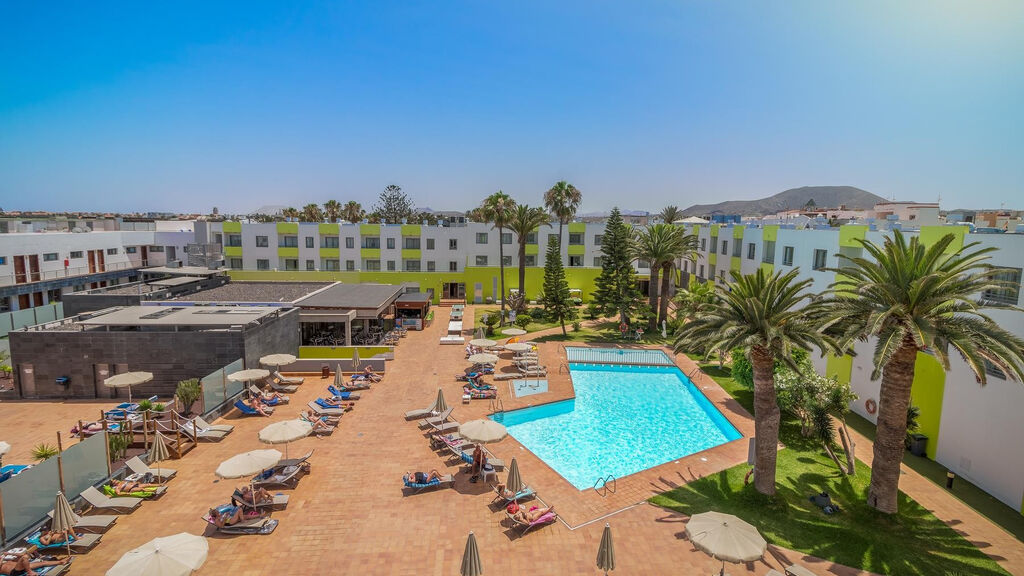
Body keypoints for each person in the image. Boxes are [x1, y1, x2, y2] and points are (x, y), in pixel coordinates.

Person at [0, 553, 68, 576]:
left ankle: (60, 562)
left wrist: (9, 554)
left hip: (23, 567)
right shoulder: (2, 562)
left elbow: (22, 554)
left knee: (43, 563)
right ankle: (30, 572)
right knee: (24, 558)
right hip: (15, 572)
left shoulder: (5, 561)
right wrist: (2, 558)